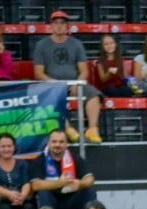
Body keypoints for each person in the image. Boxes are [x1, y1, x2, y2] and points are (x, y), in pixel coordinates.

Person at [33, 11, 103, 144]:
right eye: (56, 23)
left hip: (74, 83)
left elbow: (84, 71)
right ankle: (69, 130)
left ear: (67, 26)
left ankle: (92, 129)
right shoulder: (41, 45)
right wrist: (55, 84)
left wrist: (77, 83)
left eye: (62, 23)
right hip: (52, 84)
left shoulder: (76, 44)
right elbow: (39, 73)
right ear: (51, 26)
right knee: (47, 95)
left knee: (94, 94)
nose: (59, 26)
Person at [30, 129, 98, 209]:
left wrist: (80, 184)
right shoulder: (40, 160)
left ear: (66, 144)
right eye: (54, 141)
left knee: (89, 189)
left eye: (61, 142)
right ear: (48, 143)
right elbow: (35, 185)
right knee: (43, 192)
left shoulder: (75, 158)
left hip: (72, 203)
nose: (57, 145)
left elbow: (90, 179)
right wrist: (59, 183)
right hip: (51, 205)